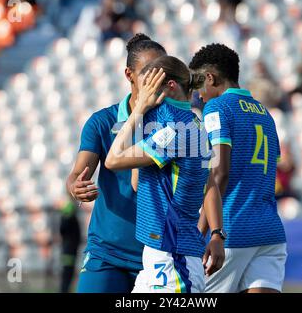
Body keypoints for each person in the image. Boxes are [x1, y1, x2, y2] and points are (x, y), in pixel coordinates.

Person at [105, 58, 225, 293]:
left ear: (170, 85)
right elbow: (138, 183)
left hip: (173, 260)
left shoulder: (174, 131)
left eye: (147, 87)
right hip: (159, 254)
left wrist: (139, 110)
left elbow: (113, 160)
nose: (141, 94)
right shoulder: (193, 122)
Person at [66, 33, 166, 293]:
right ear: (129, 74)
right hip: (107, 252)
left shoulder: (176, 125)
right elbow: (77, 173)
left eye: (161, 70)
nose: (155, 77)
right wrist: (76, 186)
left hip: (160, 256)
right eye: (147, 71)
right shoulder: (101, 122)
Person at [189, 43, 287, 293]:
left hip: (232, 230)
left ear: (210, 78)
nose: (199, 94)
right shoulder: (265, 113)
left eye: (198, 85)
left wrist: (201, 231)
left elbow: (220, 171)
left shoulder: (217, 108)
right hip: (270, 233)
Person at [59, 197, 81, 293]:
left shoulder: (66, 220)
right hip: (69, 251)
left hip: (68, 250)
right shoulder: (69, 220)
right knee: (67, 274)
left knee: (67, 274)